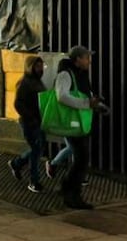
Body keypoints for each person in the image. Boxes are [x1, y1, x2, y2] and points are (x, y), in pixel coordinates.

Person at [54, 45, 102, 209]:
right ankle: (72, 196)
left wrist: (94, 103)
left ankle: (67, 189)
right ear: (77, 59)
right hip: (72, 123)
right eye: (86, 57)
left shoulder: (80, 74)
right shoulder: (66, 74)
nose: (89, 61)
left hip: (81, 122)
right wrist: (86, 103)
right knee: (81, 160)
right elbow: (61, 96)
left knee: (81, 159)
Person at [8, 55, 47, 193]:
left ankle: (17, 163)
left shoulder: (37, 82)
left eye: (41, 66)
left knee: (38, 149)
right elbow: (18, 104)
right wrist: (31, 118)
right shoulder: (25, 82)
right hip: (30, 122)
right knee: (36, 151)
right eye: (37, 66)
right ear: (30, 67)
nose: (40, 68)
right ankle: (34, 181)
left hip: (39, 121)